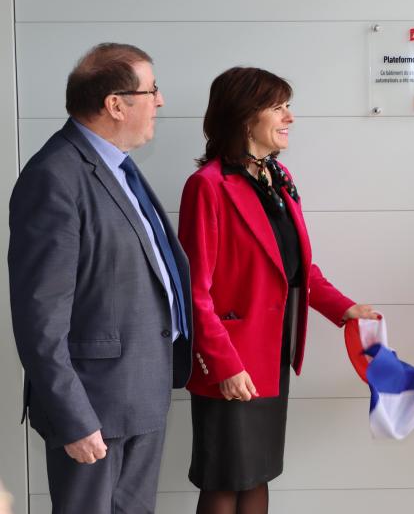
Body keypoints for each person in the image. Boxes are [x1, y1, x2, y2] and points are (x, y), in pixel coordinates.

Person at [178, 67, 378, 514]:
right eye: (279, 107)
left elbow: (297, 267)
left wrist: (344, 308)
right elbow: (195, 290)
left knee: (257, 473)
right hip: (230, 359)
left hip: (271, 354)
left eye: (289, 106)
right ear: (245, 116)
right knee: (224, 480)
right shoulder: (207, 186)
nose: (289, 117)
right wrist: (225, 364)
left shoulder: (279, 176)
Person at [8, 43, 193, 513]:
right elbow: (39, 317)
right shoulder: (55, 177)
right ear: (116, 104)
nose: (161, 101)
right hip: (95, 408)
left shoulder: (119, 168)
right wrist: (74, 418)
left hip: (139, 390)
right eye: (152, 90)